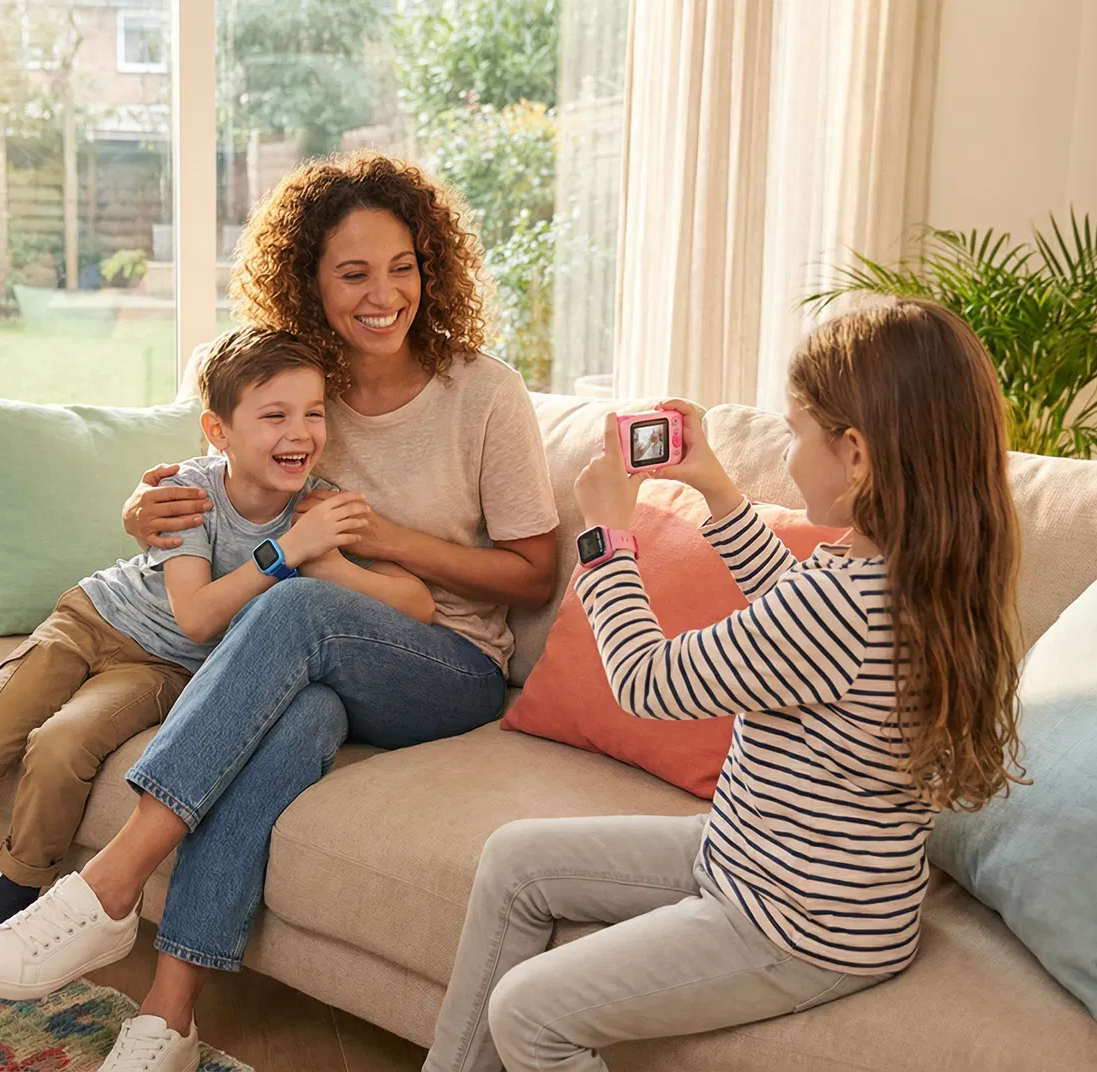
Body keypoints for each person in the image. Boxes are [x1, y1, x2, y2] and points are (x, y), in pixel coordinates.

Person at [0, 151, 561, 1072]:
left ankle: (109, 886)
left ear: (430, 269)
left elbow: (531, 573)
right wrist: (139, 508)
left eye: (402, 267)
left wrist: (383, 536)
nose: (382, 294)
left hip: (449, 669)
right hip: (325, 671)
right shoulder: (302, 390)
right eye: (352, 273)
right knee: (295, 719)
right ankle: (168, 1019)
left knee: (300, 604)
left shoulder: (484, 392)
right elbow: (210, 475)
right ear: (310, 282)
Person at [422, 297, 1027, 1071]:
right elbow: (794, 617)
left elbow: (648, 683)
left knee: (529, 1015)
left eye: (795, 428)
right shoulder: (906, 575)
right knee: (516, 862)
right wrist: (716, 490)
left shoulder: (842, 603)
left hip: (796, 924)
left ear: (858, 457)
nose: (786, 445)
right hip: (763, 861)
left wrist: (607, 539)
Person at [0, 326, 433, 979]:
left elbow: (417, 605)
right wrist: (288, 554)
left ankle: (12, 901)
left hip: (167, 669)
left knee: (62, 745)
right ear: (218, 432)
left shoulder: (316, 508)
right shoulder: (188, 492)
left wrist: (327, 561)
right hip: (94, 618)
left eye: (313, 413)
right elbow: (199, 612)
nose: (299, 432)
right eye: (275, 416)